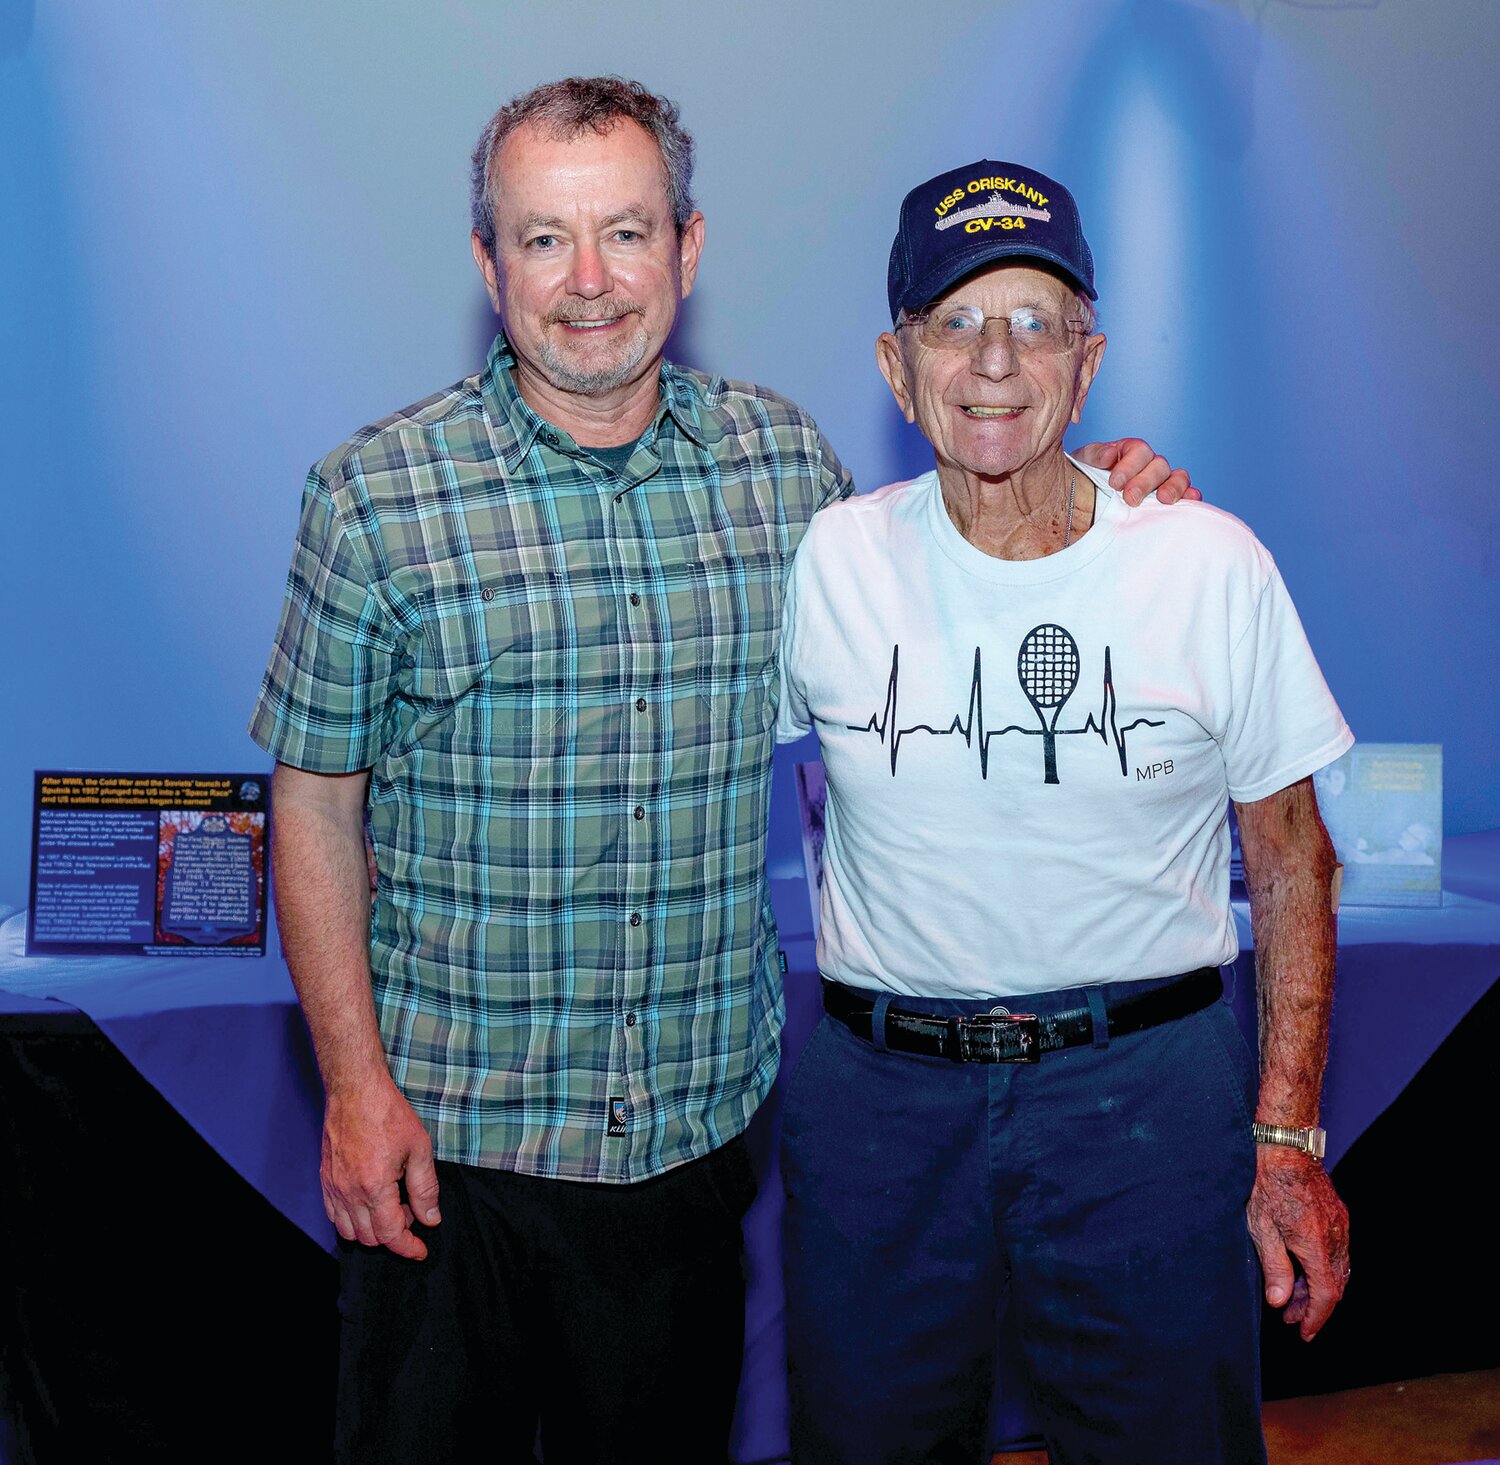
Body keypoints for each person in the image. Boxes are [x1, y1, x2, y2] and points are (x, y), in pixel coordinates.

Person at [249, 79, 1191, 1464]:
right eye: (543, 238)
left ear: (688, 249)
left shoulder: (783, 470)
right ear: (485, 261)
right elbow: (314, 807)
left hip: (688, 1156)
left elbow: (968, 557)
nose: (588, 282)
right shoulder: (374, 497)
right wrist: (353, 1087)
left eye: (625, 232)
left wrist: (1099, 482)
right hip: (447, 1156)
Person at [776, 158, 1352, 1464]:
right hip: (882, 1106)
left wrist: (1284, 1140)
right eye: (956, 322)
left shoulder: (1205, 562)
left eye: (1034, 321)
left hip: (1143, 1101)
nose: (994, 361)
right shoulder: (831, 560)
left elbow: (1296, 859)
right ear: (894, 362)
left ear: (1086, 365)